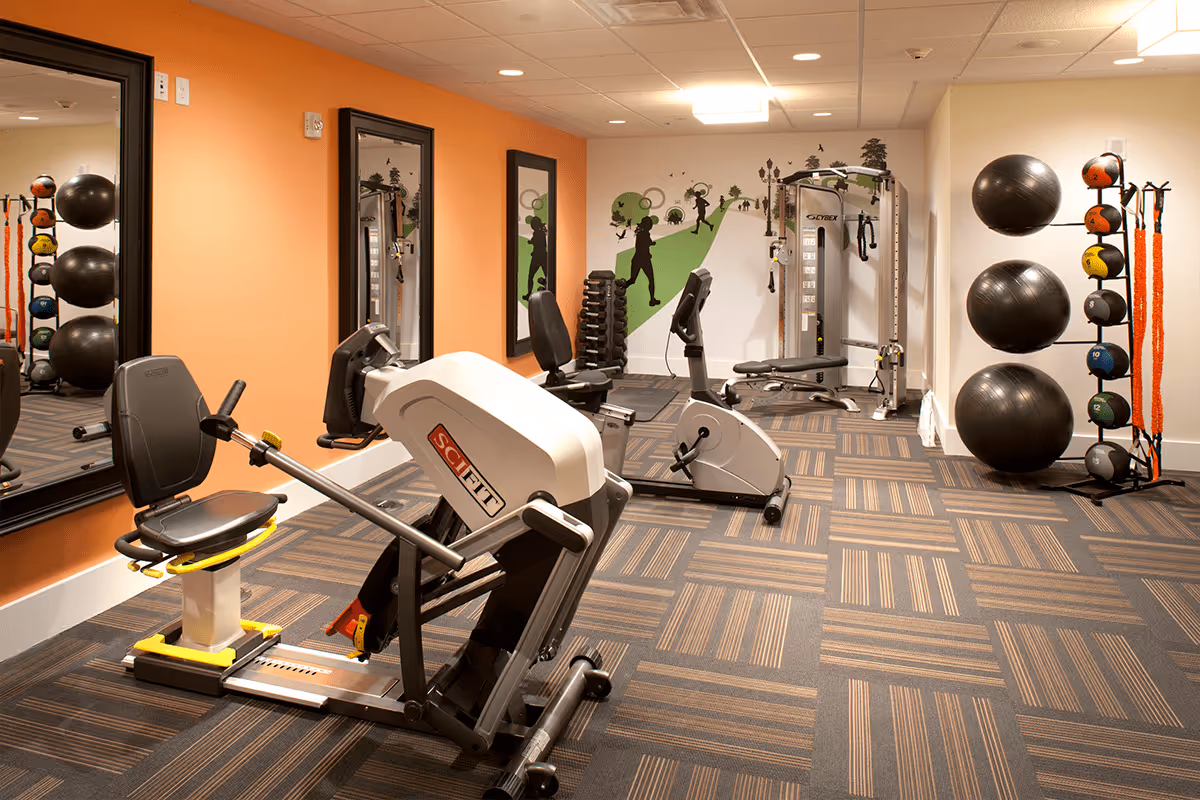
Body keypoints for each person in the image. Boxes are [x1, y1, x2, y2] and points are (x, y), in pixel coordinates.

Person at [627, 216, 660, 307]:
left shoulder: (640, 233)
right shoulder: (645, 233)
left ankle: (620, 288)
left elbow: (643, 244)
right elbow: (645, 245)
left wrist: (651, 244)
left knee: (632, 280)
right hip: (644, 259)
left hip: (637, 258)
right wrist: (649, 252)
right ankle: (652, 300)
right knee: (651, 280)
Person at [523, 217, 548, 301]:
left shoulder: (537, 233)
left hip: (537, 257)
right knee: (547, 275)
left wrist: (531, 242)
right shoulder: (541, 233)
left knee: (531, 276)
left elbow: (538, 243)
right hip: (543, 256)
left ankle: (529, 293)